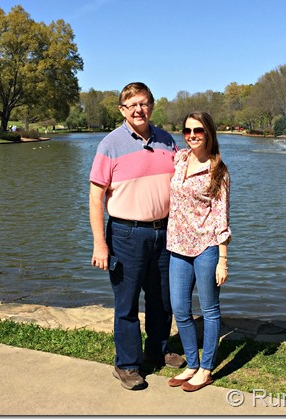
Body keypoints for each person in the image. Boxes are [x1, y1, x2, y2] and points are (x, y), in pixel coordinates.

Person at [89, 82, 185, 391]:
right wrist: (100, 244)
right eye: (131, 105)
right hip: (126, 234)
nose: (138, 110)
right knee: (127, 303)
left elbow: (187, 180)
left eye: (143, 104)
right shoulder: (109, 145)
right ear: (122, 110)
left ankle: (158, 349)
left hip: (165, 232)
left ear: (152, 106)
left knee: (162, 299)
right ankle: (127, 364)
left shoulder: (168, 141)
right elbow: (95, 199)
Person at [166, 111, 232, 392]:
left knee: (209, 309)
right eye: (187, 131)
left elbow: (221, 217)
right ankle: (192, 363)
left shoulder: (219, 171)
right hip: (177, 246)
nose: (192, 135)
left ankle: (206, 370)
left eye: (199, 131)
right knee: (180, 309)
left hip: (206, 248)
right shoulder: (179, 159)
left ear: (209, 133)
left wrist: (223, 261)